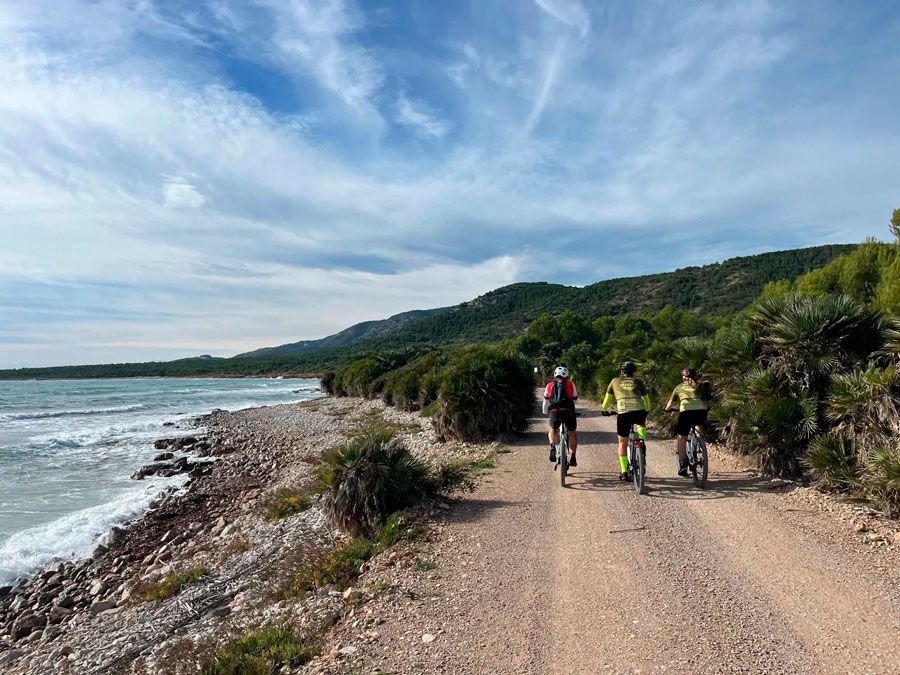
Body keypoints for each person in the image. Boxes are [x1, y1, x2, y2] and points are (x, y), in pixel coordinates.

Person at [601, 361, 651, 481]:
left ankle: (624, 471)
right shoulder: (639, 381)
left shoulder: (614, 381)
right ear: (634, 372)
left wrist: (604, 410)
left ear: (621, 371)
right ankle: (642, 443)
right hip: (639, 410)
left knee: (622, 441)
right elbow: (646, 400)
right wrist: (647, 410)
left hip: (624, 412)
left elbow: (608, 398)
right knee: (641, 424)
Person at [665, 368, 710, 476]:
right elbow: (705, 402)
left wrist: (667, 409)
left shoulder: (679, 387)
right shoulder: (700, 386)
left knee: (682, 437)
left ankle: (683, 464)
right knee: (697, 424)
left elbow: (670, 403)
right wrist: (705, 409)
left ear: (683, 377)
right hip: (700, 412)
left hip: (686, 412)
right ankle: (699, 440)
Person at [544, 366, 579, 466]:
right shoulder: (571, 384)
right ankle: (573, 456)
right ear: (566, 375)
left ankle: (552, 445)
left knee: (553, 429)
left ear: (555, 375)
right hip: (568, 412)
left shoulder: (550, 385)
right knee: (572, 432)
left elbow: (546, 401)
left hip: (555, 412)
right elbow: (575, 400)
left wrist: (546, 411)